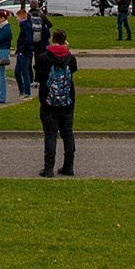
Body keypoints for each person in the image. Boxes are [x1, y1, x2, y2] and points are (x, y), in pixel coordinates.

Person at [35, 26, 79, 177]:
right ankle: (69, 166)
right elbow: (73, 70)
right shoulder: (70, 58)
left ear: (52, 40)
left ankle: (48, 168)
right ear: (64, 41)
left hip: (48, 102)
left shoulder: (43, 58)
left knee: (50, 135)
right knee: (67, 134)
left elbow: (39, 78)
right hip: (67, 102)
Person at [16, 4, 49, 99]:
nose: (16, 19)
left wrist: (21, 48)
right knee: (17, 72)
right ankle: (22, 90)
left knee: (24, 72)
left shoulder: (26, 27)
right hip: (22, 52)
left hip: (25, 52)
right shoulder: (24, 26)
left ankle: (27, 92)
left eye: (17, 17)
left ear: (21, 17)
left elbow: (28, 40)